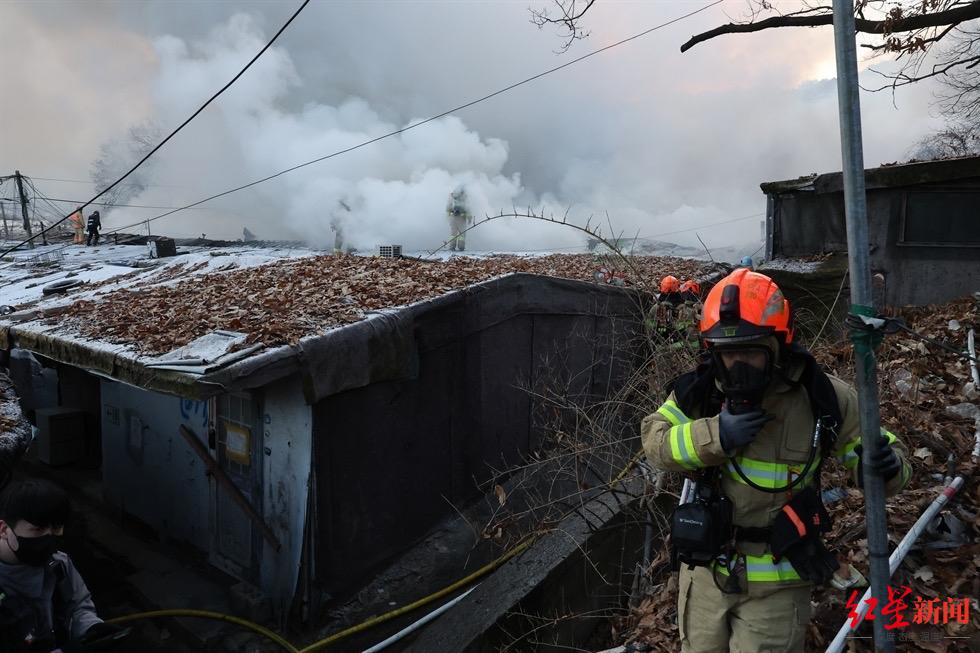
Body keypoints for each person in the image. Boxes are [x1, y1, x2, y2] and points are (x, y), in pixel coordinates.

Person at [641, 269, 910, 652]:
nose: (739, 366)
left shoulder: (824, 397)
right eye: (728, 353)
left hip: (778, 584)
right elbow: (654, 442)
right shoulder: (700, 392)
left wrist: (887, 466)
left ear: (780, 343)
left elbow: (891, 468)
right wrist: (715, 435)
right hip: (704, 576)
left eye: (751, 350)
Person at [0, 479, 126, 652]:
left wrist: (91, 628)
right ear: (3, 529)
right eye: (38, 529)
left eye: (56, 528)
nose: (49, 537)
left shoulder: (58, 564)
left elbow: (77, 606)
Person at [445, 187, 472, 252]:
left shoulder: (452, 197)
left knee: (453, 233)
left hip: (452, 218)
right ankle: (461, 247)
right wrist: (469, 218)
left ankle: (452, 247)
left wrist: (449, 216)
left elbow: (448, 208)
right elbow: (467, 209)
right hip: (461, 218)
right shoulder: (464, 198)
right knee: (462, 234)